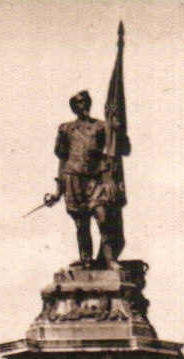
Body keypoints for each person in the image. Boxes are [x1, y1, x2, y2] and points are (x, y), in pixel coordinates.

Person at [44, 88, 129, 267]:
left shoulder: (101, 126)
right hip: (73, 178)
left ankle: (110, 258)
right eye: (79, 103)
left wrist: (117, 130)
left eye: (85, 102)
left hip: (95, 179)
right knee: (81, 224)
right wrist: (58, 192)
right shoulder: (66, 129)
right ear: (74, 107)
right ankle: (87, 260)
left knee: (103, 218)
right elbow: (62, 159)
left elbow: (123, 148)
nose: (83, 106)